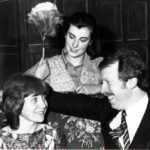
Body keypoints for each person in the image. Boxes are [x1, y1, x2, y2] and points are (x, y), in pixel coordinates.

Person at [26, 12, 104, 149]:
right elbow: (12, 95)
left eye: (83, 40)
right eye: (72, 37)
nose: (75, 45)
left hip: (96, 143)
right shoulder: (46, 65)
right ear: (65, 35)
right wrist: (37, 78)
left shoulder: (100, 66)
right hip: (55, 142)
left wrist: (100, 88)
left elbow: (130, 91)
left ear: (91, 41)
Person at [47, 48, 150, 149]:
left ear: (131, 82)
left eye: (108, 82)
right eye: (102, 83)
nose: (102, 90)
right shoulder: (107, 108)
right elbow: (66, 102)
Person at [0, 74, 66, 149]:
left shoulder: (54, 135)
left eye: (44, 98)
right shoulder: (1, 141)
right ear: (15, 103)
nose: (44, 105)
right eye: (34, 99)